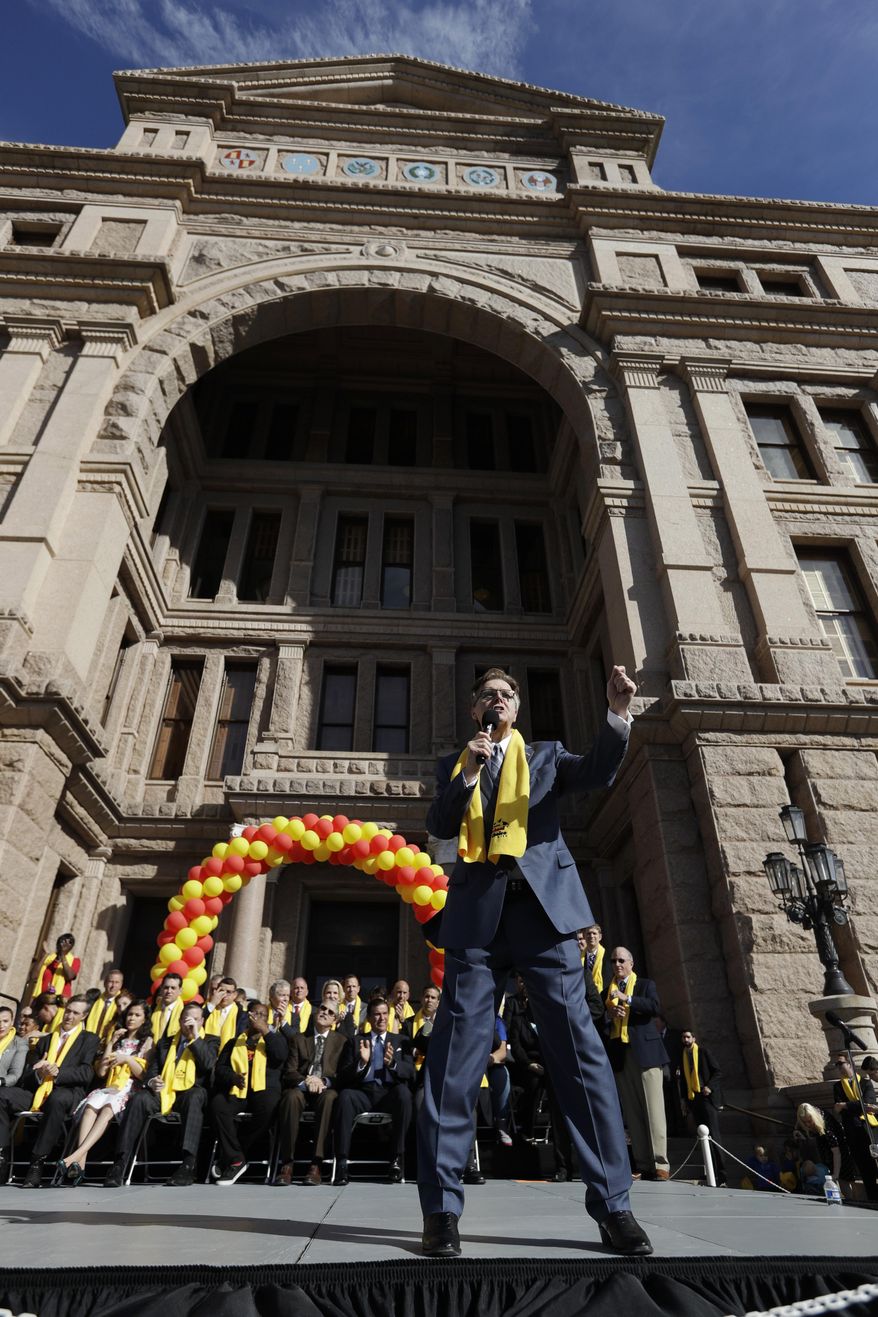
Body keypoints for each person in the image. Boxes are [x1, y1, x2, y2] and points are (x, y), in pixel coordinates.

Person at [418, 664, 652, 1258]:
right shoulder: (456, 762)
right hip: (476, 920)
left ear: (516, 709)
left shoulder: (545, 756)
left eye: (506, 695)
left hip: (544, 918)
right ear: (476, 712)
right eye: (487, 696)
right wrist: (468, 770)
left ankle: (614, 1206)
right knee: (454, 1058)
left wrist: (617, 714)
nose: (497, 702)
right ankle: (442, 1211)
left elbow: (597, 770)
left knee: (578, 1051)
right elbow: (442, 823)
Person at [105, 1000, 218, 1187]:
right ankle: (120, 1163)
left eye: (195, 1020)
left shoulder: (210, 1040)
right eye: (186, 1020)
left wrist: (194, 1038)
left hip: (189, 1091)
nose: (190, 1023)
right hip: (163, 1091)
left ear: (202, 1021)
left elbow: (207, 1064)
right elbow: (152, 1069)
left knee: (195, 1098)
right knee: (140, 1099)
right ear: (180, 1020)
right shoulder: (166, 1042)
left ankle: (188, 1164)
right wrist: (152, 1081)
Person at [0, 996, 98, 1187]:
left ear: (84, 1016)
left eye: (75, 1013)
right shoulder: (46, 1040)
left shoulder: (89, 1039)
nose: (69, 1015)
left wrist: (57, 1071)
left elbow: (86, 1072)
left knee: (57, 1098)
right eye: (68, 1010)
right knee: (2, 1095)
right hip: (38, 1091)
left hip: (68, 1092)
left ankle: (37, 1163)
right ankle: (2, 1156)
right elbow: (25, 1077)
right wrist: (39, 1071)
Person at [59, 999, 153, 1184]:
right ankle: (81, 1165)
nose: (131, 1018)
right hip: (110, 1085)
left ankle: (74, 1157)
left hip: (128, 1087)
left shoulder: (147, 1041)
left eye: (137, 1015)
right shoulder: (117, 1038)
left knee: (108, 1109)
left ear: (144, 1019)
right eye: (129, 1014)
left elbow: (143, 1075)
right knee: (90, 1107)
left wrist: (126, 1058)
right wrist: (111, 1043)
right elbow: (102, 1072)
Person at [604, 947, 669, 1182]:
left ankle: (660, 1163)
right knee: (633, 1112)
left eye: (621, 960)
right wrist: (610, 1015)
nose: (617, 964)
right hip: (621, 1054)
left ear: (631, 963)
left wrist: (628, 999)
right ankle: (642, 1163)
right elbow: (600, 1023)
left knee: (654, 1110)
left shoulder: (644, 984)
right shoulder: (607, 991)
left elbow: (654, 1007)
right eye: (613, 961)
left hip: (646, 1053)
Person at [334, 997, 414, 1186]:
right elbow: (342, 1076)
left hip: (388, 1093)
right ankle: (342, 1164)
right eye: (377, 1014)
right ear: (369, 1018)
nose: (382, 1018)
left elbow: (410, 1072)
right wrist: (361, 1062)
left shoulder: (400, 1040)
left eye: (385, 1013)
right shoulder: (356, 1041)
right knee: (345, 1097)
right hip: (363, 1092)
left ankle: (397, 1159)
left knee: (404, 1094)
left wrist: (392, 1064)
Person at [209, 1002, 288, 1184]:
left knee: (269, 1108)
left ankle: (231, 1155)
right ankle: (237, 1159)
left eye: (262, 1014)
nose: (258, 1017)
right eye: (255, 1013)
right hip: (238, 1089)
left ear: (267, 1020)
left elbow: (280, 1056)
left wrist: (266, 1032)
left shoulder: (275, 1039)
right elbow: (220, 1069)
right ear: (248, 1016)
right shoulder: (234, 1042)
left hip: (263, 1090)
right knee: (218, 1105)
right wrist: (233, 1077)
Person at [275, 1001, 347, 1186]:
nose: (324, 1012)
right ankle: (287, 1164)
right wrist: (306, 1081)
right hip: (302, 1088)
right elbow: (289, 1071)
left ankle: (316, 1164)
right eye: (322, 1008)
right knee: (290, 1098)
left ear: (334, 1020)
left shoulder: (341, 1042)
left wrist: (323, 1081)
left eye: (330, 1012)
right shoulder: (299, 1039)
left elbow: (342, 1074)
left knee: (330, 1098)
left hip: (325, 1089)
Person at [678, 1028, 725, 1184]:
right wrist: (684, 1100)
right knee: (702, 1137)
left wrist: (709, 1086)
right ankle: (710, 1172)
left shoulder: (703, 1052)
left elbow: (717, 1072)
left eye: (688, 1037)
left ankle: (722, 1175)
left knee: (714, 1137)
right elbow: (683, 1080)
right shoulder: (683, 1056)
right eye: (683, 1037)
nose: (685, 1040)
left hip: (706, 1097)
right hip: (693, 1099)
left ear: (694, 1038)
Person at [832, 1052, 878, 1201]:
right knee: (864, 1168)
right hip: (853, 1132)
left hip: (870, 1129)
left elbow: (867, 1104)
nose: (838, 1067)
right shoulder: (838, 1086)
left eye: (841, 1064)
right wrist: (855, 1106)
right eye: (837, 1065)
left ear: (850, 1064)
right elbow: (838, 1108)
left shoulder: (865, 1083)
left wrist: (846, 1105)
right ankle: (873, 1199)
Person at [32, 934, 80, 1005]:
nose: (65, 943)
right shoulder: (49, 958)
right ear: (58, 943)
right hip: (41, 999)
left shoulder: (75, 960)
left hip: (59, 1002)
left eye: (70, 942)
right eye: (63, 940)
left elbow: (69, 976)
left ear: (71, 947)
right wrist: (45, 955)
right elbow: (33, 976)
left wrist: (63, 955)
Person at [85, 968, 125, 1041]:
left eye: (117, 982)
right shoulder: (94, 1000)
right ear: (105, 983)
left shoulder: (123, 1005)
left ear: (121, 985)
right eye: (111, 982)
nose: (113, 985)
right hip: (89, 1040)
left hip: (109, 1043)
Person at [0, 1004, 28, 1091]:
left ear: (12, 1022)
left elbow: (15, 1074)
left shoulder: (19, 1044)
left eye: (5, 1021)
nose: (1, 1025)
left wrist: (1, 1081)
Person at [150, 972, 184, 1042]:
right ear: (162, 989)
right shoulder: (151, 1009)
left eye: (173, 988)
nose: (169, 991)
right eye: (166, 987)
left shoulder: (184, 1013)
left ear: (180, 991)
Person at [580, 925, 606, 992]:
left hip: (603, 995)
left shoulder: (607, 956)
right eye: (588, 933)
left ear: (600, 937)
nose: (591, 936)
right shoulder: (579, 958)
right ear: (584, 937)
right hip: (585, 994)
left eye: (594, 933)